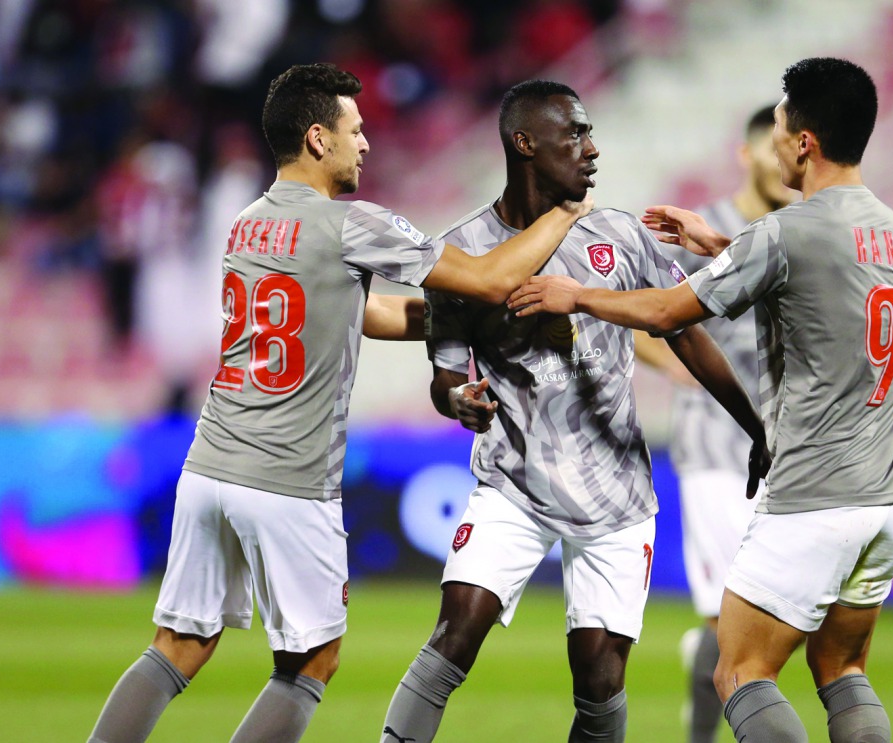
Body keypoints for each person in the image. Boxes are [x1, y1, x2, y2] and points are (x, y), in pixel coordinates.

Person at [86, 63, 592, 743]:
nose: (368, 145)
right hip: (289, 478)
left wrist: (453, 322)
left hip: (209, 464)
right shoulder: (351, 224)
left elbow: (362, 310)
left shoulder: (246, 225)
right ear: (319, 138)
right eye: (356, 131)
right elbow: (489, 276)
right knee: (310, 661)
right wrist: (564, 210)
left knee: (177, 643)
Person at [508, 57, 893, 743]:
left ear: (804, 142)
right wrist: (720, 244)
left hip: (813, 495)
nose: (777, 140)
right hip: (888, 497)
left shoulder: (788, 229)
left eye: (782, 127)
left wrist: (574, 293)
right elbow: (810, 272)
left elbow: (669, 310)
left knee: (740, 671)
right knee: (842, 667)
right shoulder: (885, 226)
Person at [379, 79, 764, 743]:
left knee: (599, 679)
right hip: (514, 480)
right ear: (525, 143)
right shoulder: (463, 250)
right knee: (456, 629)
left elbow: (687, 334)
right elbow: (445, 373)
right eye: (575, 134)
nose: (592, 148)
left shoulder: (620, 234)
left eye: (590, 132)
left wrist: (757, 427)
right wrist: (458, 400)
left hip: (614, 488)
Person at [661, 104, 794, 743]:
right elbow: (645, 313)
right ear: (747, 154)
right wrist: (684, 367)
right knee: (730, 616)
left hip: (788, 449)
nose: (779, 159)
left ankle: (712, 684)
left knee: (775, 621)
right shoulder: (705, 228)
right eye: (768, 148)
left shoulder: (798, 231)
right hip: (716, 447)